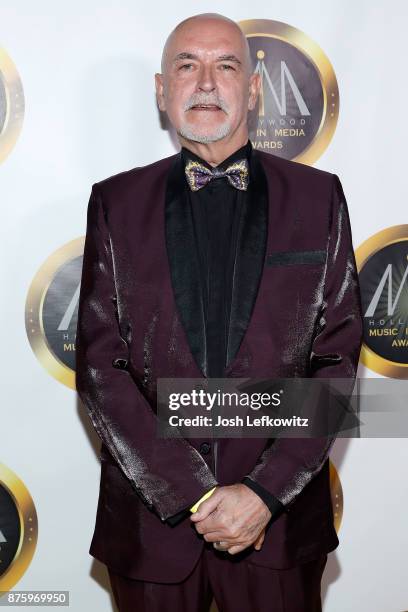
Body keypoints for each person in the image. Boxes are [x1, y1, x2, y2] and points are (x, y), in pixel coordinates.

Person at [75, 12, 363, 612]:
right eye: (187, 65)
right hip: (153, 532)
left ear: (253, 89)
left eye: (226, 65)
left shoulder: (318, 198)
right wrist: (194, 495)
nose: (205, 81)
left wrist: (262, 493)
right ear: (162, 89)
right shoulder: (114, 203)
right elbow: (102, 366)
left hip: (278, 528)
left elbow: (336, 361)